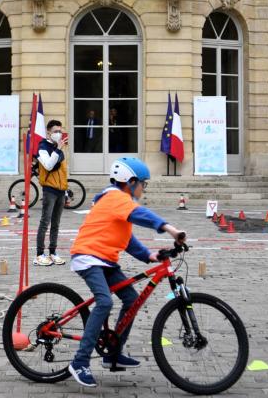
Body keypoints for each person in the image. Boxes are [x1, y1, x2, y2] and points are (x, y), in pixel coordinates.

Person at [67, 157, 185, 388]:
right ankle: (80, 362)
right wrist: (169, 228)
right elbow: (142, 215)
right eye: (143, 183)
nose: (144, 188)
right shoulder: (115, 197)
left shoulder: (120, 202)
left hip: (105, 260)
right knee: (104, 302)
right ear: (130, 182)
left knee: (131, 299)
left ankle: (113, 352)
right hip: (88, 256)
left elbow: (127, 238)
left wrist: (149, 256)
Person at [35, 119, 69, 266]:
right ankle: (39, 254)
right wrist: (58, 149)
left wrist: (66, 190)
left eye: (60, 131)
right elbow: (48, 166)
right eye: (56, 131)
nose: (58, 134)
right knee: (45, 222)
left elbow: (62, 171)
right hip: (49, 190)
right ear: (48, 132)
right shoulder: (43, 147)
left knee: (56, 223)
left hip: (61, 190)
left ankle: (53, 252)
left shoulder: (59, 148)